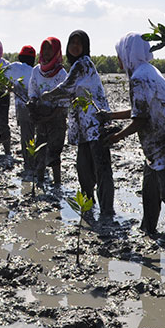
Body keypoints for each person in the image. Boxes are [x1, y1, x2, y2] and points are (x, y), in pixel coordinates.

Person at [100, 33, 165, 251]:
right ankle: (148, 230)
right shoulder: (149, 71)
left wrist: (115, 137)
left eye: (119, 55)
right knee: (150, 190)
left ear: (128, 53)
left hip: (163, 144)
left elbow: (140, 119)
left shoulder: (139, 78)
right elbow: (140, 110)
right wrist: (110, 116)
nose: (119, 60)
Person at [42, 30, 113, 216]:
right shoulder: (78, 65)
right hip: (84, 128)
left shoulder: (83, 64)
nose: (75, 46)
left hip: (96, 125)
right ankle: (89, 207)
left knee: (101, 170)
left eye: (79, 43)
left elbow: (66, 88)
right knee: (83, 169)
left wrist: (46, 96)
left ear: (85, 47)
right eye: (72, 42)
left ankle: (107, 212)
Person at [28, 37, 68, 186]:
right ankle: (39, 182)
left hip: (56, 117)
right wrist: (32, 103)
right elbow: (32, 91)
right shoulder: (36, 71)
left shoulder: (61, 74)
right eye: (44, 48)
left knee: (55, 152)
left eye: (50, 49)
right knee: (40, 149)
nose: (46, 52)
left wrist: (49, 117)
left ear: (57, 51)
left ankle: (57, 184)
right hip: (41, 115)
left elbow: (64, 102)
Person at [5, 45, 37, 175]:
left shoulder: (15, 67)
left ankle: (29, 164)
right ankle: (36, 162)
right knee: (35, 135)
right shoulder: (35, 71)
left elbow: (2, 76)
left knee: (26, 136)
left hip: (23, 109)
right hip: (37, 107)